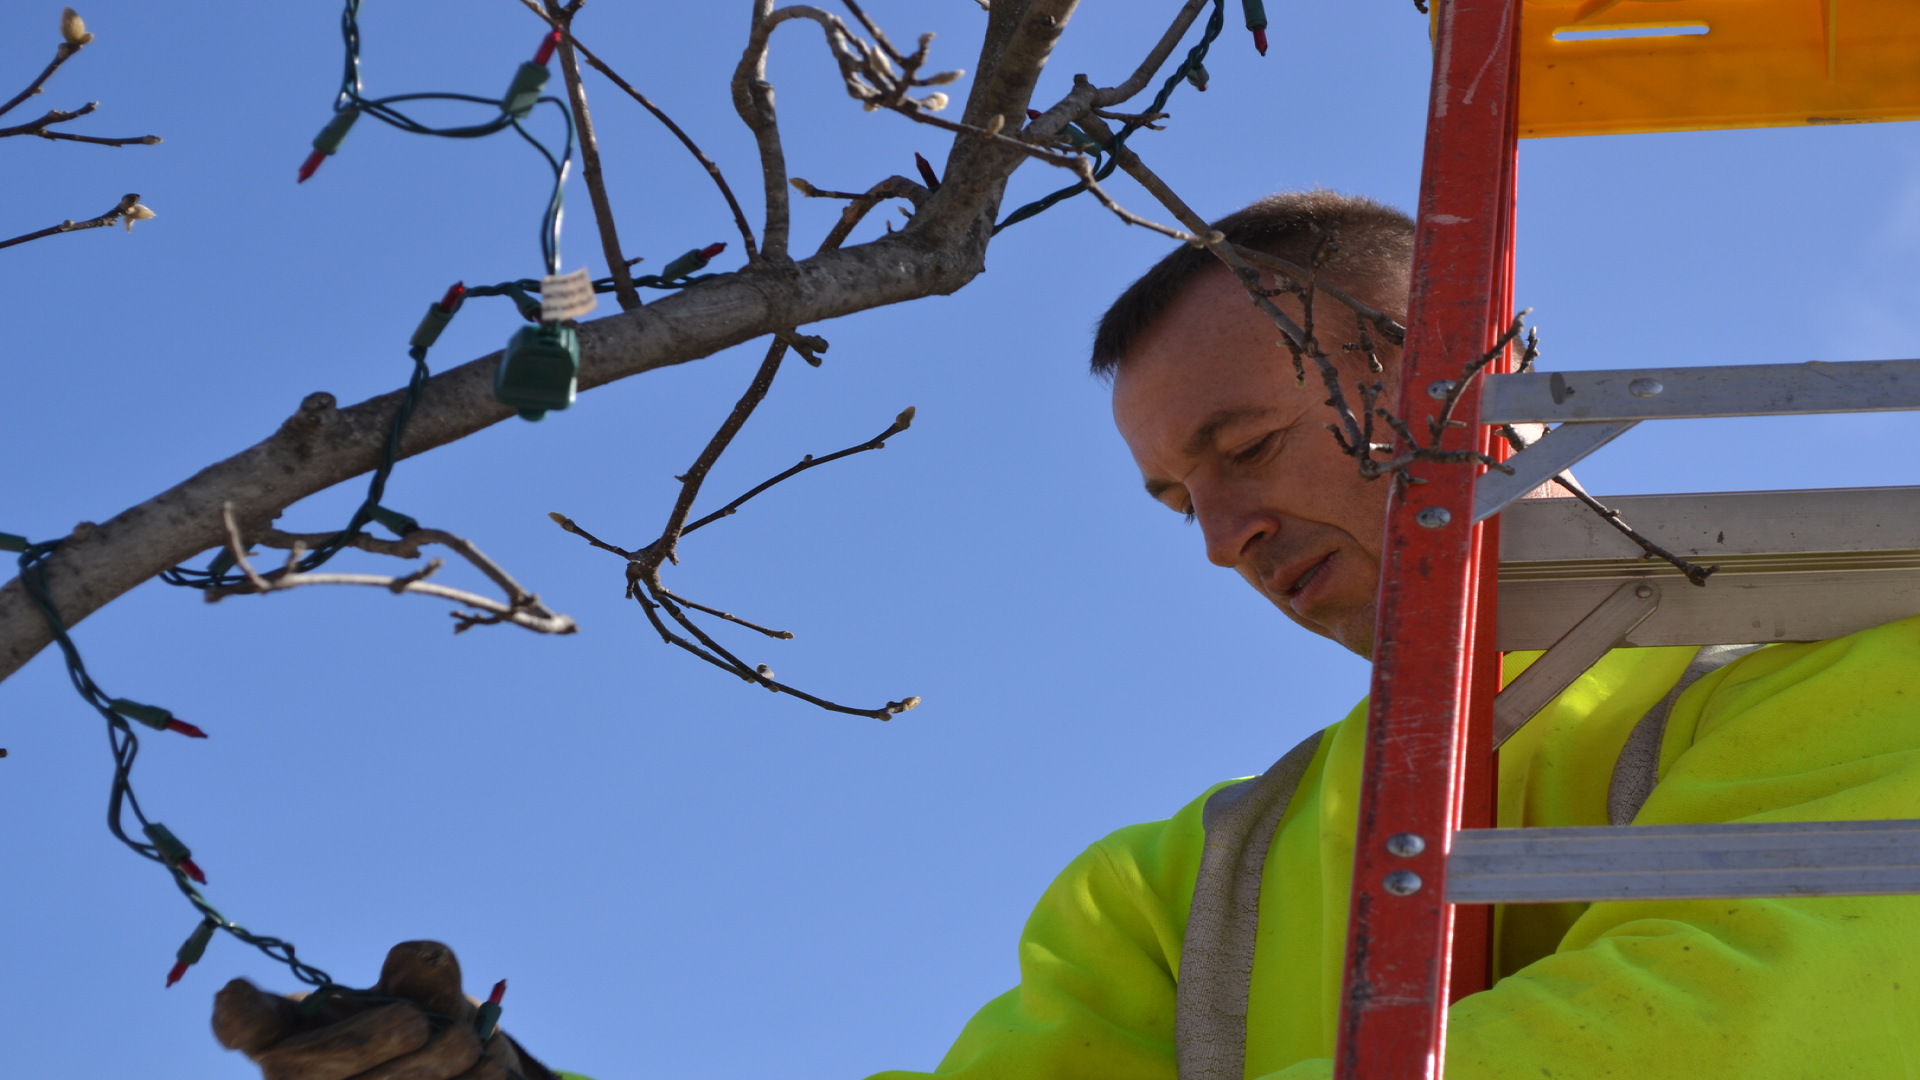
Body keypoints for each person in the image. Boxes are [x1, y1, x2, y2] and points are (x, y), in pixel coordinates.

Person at [211, 191, 1920, 1079]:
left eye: (1245, 449)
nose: (1228, 541)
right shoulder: (1200, 879)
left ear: (1462, 370)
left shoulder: (1852, 659)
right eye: (1181, 504)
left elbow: (1744, 1030)